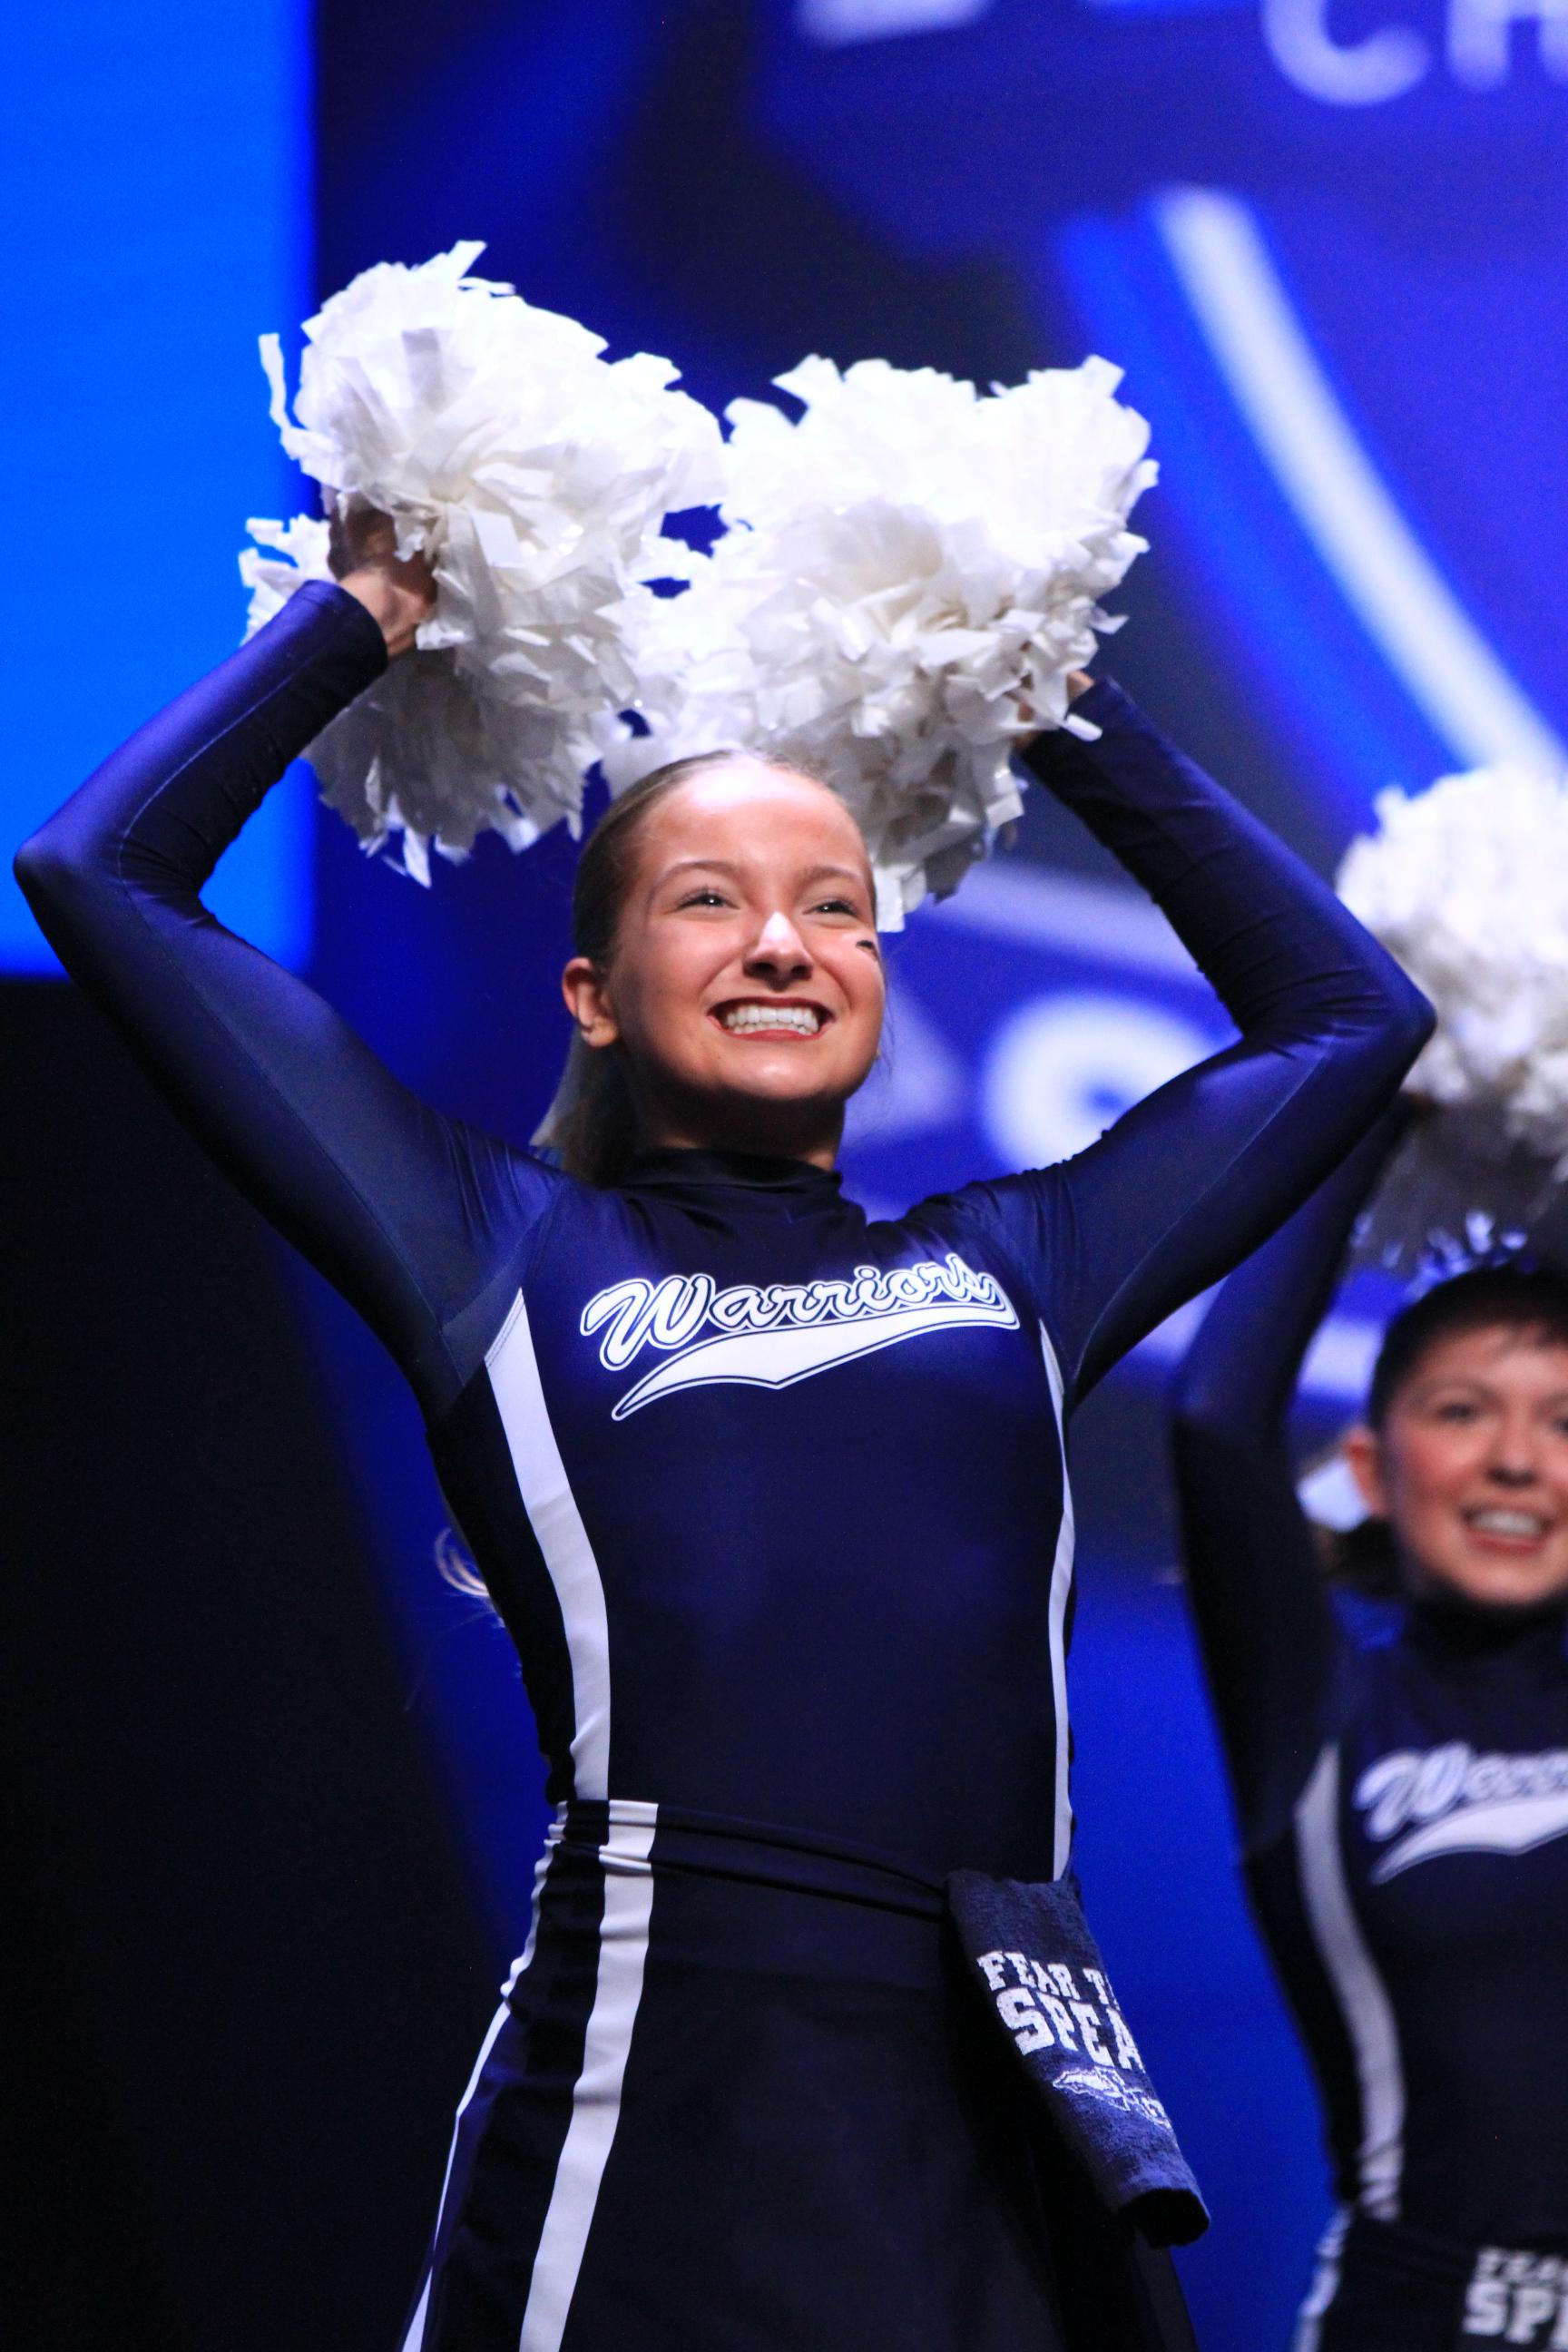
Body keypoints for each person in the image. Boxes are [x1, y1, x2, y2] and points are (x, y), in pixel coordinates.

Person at [15, 514, 1429, 2352]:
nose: (782, 941)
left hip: (1002, 2111)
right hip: (658, 2099)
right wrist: (360, 613)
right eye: (708, 898)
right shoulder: (493, 1251)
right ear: (593, 993)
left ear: (880, 980)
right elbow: (98, 871)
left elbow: (1347, 1018)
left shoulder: (1024, 1264)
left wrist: (1062, 713)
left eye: (834, 903)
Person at [1171, 1115, 1568, 2351]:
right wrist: (1387, 1103)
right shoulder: (1325, 1712)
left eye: (1565, 1422)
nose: (1514, 1460)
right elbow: (1214, 1418)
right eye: (1461, 1411)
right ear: (1372, 1468)